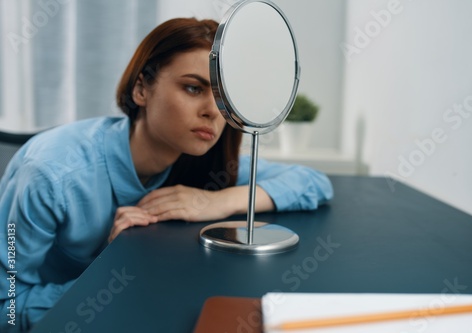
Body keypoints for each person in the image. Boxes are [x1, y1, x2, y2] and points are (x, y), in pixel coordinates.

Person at [0, 18, 333, 332]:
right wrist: (110, 274)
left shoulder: (201, 159)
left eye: (222, 97)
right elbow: (7, 309)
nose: (212, 111)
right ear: (142, 89)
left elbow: (312, 182)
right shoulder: (49, 175)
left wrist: (213, 200)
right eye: (192, 88)